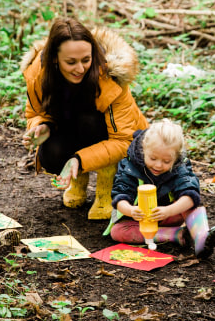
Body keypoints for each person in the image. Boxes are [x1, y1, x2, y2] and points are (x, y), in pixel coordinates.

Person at [20, 17, 148, 220]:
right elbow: (35, 112)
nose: (80, 69)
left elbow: (124, 140)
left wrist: (79, 159)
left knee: (88, 120)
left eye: (86, 60)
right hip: (75, 132)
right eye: (71, 62)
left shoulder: (111, 77)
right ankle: (78, 182)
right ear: (54, 58)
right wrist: (41, 126)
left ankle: (107, 189)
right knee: (50, 154)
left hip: (113, 140)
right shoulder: (38, 74)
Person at [106, 119, 215, 259]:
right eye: (152, 158)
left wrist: (168, 211)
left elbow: (190, 193)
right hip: (139, 221)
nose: (158, 165)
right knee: (118, 232)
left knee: (190, 202)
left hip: (168, 214)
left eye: (166, 161)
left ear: (175, 157)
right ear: (144, 148)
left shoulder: (179, 167)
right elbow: (120, 195)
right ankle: (177, 235)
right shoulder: (129, 166)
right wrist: (131, 210)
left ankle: (201, 237)